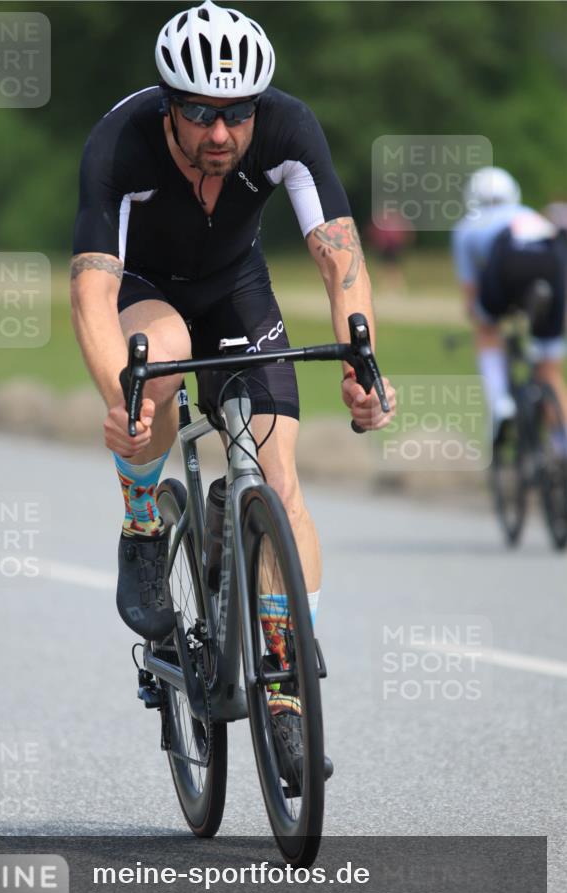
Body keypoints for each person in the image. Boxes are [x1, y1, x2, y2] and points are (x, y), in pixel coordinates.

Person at [70, 0, 395, 781]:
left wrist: (364, 363)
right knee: (162, 366)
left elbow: (339, 256)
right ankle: (144, 524)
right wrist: (124, 397)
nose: (221, 133)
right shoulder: (120, 143)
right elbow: (90, 292)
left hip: (236, 290)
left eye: (237, 114)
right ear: (168, 105)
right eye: (200, 114)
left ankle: (284, 686)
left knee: (281, 486)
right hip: (144, 293)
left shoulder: (289, 127)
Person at [452, 166, 567, 439]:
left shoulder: (467, 228)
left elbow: (471, 291)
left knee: (487, 332)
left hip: (506, 269)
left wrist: (479, 315)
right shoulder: (530, 216)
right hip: (552, 269)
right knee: (548, 370)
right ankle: (562, 447)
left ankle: (501, 404)